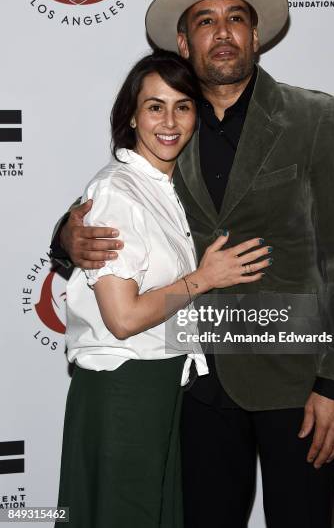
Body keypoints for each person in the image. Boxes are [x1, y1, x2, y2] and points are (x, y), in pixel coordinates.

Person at [51, 0, 334, 528]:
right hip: (194, 386)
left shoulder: (312, 117)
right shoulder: (171, 124)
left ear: (256, 34)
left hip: (296, 384)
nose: (222, 33)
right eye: (205, 20)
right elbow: (123, 201)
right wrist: (67, 237)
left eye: (236, 18)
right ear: (184, 38)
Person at [54, 50, 272, 528]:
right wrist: (203, 279)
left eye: (182, 106)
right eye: (155, 106)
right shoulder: (118, 192)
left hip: (162, 385)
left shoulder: (161, 188)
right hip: (126, 386)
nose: (169, 121)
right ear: (132, 115)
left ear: (197, 114)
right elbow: (124, 318)